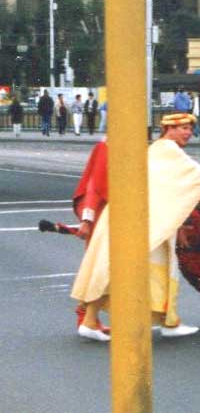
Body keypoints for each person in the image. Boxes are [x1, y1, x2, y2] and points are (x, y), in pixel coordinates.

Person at [70, 113, 200, 342]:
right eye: (183, 128)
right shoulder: (168, 151)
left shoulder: (155, 150)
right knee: (133, 269)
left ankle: (162, 321)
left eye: (189, 129)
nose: (188, 133)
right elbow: (198, 174)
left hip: (137, 219)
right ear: (169, 129)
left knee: (121, 267)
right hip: (142, 222)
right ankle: (163, 322)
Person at [71, 141, 109, 330]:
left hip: (108, 211)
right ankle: (86, 315)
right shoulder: (106, 146)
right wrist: (87, 219)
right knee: (98, 266)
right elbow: (95, 185)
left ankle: (87, 316)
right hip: (100, 211)